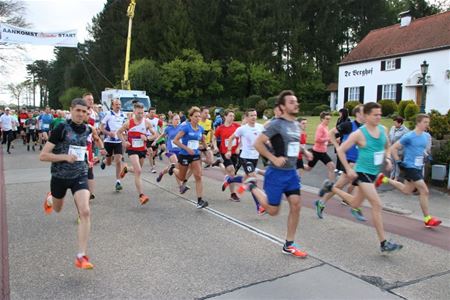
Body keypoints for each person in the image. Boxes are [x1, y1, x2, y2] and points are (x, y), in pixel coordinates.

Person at [320, 102, 403, 253]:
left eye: (380, 114)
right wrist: (348, 169)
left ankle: (330, 187)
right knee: (377, 205)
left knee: (354, 203)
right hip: (362, 172)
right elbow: (341, 151)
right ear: (366, 116)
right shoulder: (359, 133)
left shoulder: (382, 130)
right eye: (375, 115)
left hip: (373, 173)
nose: (379, 117)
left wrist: (389, 158)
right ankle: (383, 243)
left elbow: (387, 147)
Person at [241, 90, 311, 258]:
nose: (296, 104)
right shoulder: (276, 124)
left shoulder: (295, 124)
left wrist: (305, 151)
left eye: (296, 101)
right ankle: (252, 186)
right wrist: (273, 157)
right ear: (282, 106)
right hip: (276, 174)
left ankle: (289, 244)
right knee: (273, 211)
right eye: (292, 102)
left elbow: (293, 143)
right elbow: (258, 144)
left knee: (296, 204)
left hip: (291, 173)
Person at [40, 98, 98, 269]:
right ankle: (50, 199)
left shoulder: (88, 129)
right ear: (71, 110)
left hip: (79, 175)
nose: (81, 114)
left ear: (88, 113)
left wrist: (87, 159)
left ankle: (81, 256)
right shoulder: (61, 128)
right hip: (59, 176)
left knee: (85, 211)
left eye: (84, 111)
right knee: (57, 209)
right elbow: (43, 155)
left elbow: (81, 148)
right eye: (78, 110)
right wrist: (64, 157)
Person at [379, 114, 441, 228]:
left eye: (428, 122)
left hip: (418, 167)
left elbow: (422, 150)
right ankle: (427, 218)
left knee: (406, 190)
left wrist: (426, 156)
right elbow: (393, 148)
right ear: (418, 123)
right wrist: (398, 161)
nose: (427, 124)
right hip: (410, 166)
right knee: (425, 191)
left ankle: (384, 179)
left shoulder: (425, 136)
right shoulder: (409, 136)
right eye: (425, 122)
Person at [314, 105, 366, 220]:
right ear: (358, 114)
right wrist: (337, 147)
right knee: (359, 181)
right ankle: (356, 207)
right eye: (364, 112)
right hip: (348, 160)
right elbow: (331, 133)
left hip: (359, 160)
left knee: (340, 185)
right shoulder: (348, 125)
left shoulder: (365, 128)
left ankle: (322, 201)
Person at [226, 108, 266, 215]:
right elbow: (231, 138)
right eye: (251, 115)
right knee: (253, 179)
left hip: (255, 157)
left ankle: (230, 180)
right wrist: (229, 150)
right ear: (247, 117)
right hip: (245, 157)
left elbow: (264, 139)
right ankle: (259, 207)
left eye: (255, 115)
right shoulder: (242, 129)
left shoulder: (260, 127)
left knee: (246, 179)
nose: (253, 117)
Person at [117, 102, 157, 204]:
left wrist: (147, 138)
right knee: (138, 171)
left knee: (136, 170)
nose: (140, 115)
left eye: (142, 113)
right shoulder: (128, 123)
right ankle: (141, 195)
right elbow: (119, 132)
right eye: (138, 113)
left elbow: (155, 135)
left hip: (142, 150)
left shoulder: (146, 122)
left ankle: (126, 169)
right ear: (134, 112)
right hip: (132, 149)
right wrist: (124, 142)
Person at [173, 106, 209, 209]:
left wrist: (206, 146)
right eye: (195, 116)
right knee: (182, 177)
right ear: (191, 117)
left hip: (195, 155)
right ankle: (173, 168)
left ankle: (200, 201)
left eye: (199, 116)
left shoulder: (201, 129)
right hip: (184, 155)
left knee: (198, 176)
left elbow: (202, 141)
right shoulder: (186, 127)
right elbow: (175, 140)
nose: (198, 118)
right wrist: (187, 148)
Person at [155, 114, 189, 193]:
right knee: (176, 166)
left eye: (178, 119)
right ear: (172, 120)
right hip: (170, 151)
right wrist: (155, 141)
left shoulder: (182, 128)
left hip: (180, 151)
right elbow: (162, 135)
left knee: (173, 167)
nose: (177, 121)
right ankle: (181, 187)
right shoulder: (168, 128)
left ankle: (162, 173)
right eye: (176, 119)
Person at [100, 98, 127, 191]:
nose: (118, 106)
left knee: (118, 160)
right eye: (116, 104)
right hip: (108, 141)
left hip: (118, 141)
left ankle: (118, 182)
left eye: (119, 104)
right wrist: (108, 133)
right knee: (108, 163)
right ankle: (104, 161)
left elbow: (125, 128)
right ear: (112, 105)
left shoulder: (123, 115)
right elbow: (101, 127)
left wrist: (124, 137)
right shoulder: (108, 114)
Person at [215, 110, 241, 201]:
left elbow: (242, 136)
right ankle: (233, 194)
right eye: (230, 115)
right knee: (231, 170)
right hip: (225, 152)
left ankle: (220, 165)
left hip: (235, 153)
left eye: (233, 116)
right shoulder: (220, 128)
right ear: (225, 117)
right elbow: (214, 138)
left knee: (231, 173)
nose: (232, 118)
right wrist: (215, 146)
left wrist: (239, 147)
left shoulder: (237, 126)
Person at [308, 111, 336, 181]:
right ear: (322, 119)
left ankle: (330, 185)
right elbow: (317, 139)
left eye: (329, 119)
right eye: (326, 119)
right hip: (317, 152)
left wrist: (330, 141)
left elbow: (325, 139)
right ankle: (298, 167)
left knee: (331, 166)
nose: (328, 120)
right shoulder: (320, 127)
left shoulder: (326, 127)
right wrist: (328, 139)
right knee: (308, 168)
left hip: (322, 152)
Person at [388, 116, 409, 180]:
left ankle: (396, 177)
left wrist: (400, 148)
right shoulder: (392, 127)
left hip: (399, 150)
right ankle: (392, 175)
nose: (394, 124)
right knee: (392, 163)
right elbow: (389, 136)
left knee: (397, 164)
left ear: (400, 123)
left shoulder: (405, 130)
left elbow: (405, 142)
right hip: (391, 149)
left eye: (395, 123)